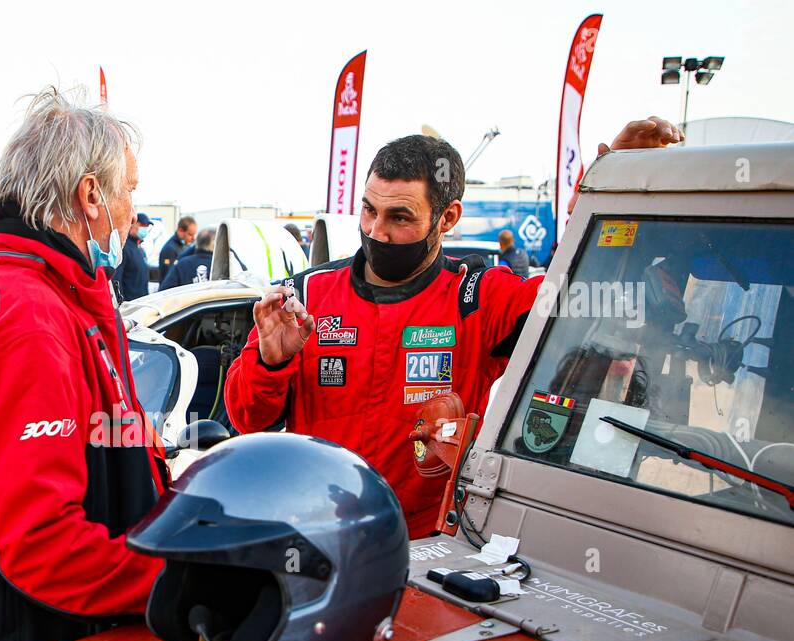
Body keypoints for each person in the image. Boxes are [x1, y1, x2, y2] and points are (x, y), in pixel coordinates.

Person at [224, 117, 682, 539]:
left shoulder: (479, 298)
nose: (376, 231)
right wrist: (269, 362)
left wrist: (609, 193)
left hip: (426, 549)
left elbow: (580, 294)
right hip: (315, 535)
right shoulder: (308, 296)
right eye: (369, 210)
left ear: (448, 218)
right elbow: (248, 419)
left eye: (399, 217)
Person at [0, 88, 168, 641]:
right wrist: (182, 576)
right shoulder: (30, 316)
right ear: (90, 196)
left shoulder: (59, 297)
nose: (134, 213)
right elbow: (40, 543)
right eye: (130, 190)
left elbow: (100, 445)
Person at [116, 212, 151, 300]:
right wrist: (121, 302)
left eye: (147, 226)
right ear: (132, 224)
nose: (145, 228)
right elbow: (117, 279)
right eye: (142, 225)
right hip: (130, 305)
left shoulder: (140, 249)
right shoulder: (124, 248)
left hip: (142, 303)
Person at [158, 215, 195, 282]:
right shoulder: (169, 249)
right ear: (180, 231)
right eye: (190, 234)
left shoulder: (184, 246)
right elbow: (170, 276)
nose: (193, 238)